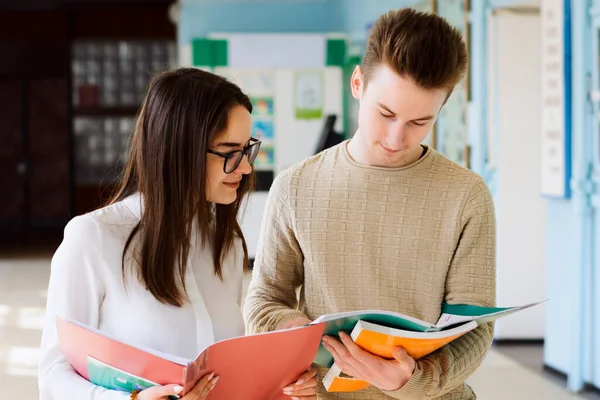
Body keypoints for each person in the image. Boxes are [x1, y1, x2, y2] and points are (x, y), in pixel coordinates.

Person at [244, 8, 496, 400]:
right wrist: (294, 339)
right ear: (357, 83)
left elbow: (475, 328)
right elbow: (264, 300)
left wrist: (414, 378)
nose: (397, 138)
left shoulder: (466, 195)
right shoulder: (295, 186)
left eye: (419, 122)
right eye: (386, 113)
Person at [38, 68, 317, 400]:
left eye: (247, 149)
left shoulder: (225, 246)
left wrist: (279, 384)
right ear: (180, 149)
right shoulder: (93, 239)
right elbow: (53, 377)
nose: (245, 168)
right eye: (230, 152)